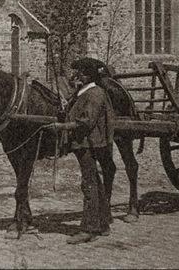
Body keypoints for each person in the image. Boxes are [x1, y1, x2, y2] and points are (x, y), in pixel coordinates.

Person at [50, 57, 116, 244]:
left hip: (89, 143)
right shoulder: (83, 92)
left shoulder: (95, 93)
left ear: (90, 75)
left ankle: (89, 228)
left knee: (89, 184)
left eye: (82, 73)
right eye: (79, 72)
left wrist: (61, 127)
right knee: (95, 181)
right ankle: (103, 223)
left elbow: (86, 122)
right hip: (85, 143)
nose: (78, 75)